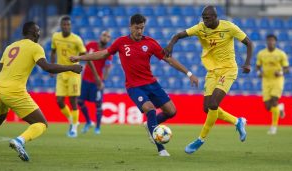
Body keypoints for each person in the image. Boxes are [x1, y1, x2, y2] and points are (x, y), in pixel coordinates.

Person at [70, 14, 199, 157]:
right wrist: (80, 58)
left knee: (171, 111)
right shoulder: (121, 42)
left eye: (142, 28)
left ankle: (150, 125)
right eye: (137, 28)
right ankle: (161, 148)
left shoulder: (150, 43)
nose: (139, 31)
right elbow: (102, 54)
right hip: (134, 87)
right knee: (150, 109)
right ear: (130, 27)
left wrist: (189, 74)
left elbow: (169, 60)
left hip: (152, 84)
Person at [164, 5, 253, 154]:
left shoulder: (228, 27)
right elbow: (178, 35)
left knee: (213, 104)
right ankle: (237, 121)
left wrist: (248, 63)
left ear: (215, 17)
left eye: (207, 18)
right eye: (203, 18)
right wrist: (170, 45)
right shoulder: (200, 28)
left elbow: (249, 43)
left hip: (228, 70)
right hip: (212, 72)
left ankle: (200, 139)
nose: (204, 21)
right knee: (207, 108)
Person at [0, 21, 82, 161]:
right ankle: (19, 141)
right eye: (38, 30)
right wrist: (71, 67)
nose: (39, 33)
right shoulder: (35, 47)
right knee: (41, 124)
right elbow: (47, 68)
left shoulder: (10, 47)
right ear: (34, 32)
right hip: (14, 91)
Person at [50, 16, 86, 138]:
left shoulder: (76, 40)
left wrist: (95, 75)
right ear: (61, 26)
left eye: (68, 25)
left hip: (73, 74)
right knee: (59, 101)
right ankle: (72, 120)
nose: (66, 27)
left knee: (72, 101)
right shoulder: (55, 37)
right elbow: (53, 51)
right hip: (61, 72)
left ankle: (74, 128)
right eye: (64, 25)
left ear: (70, 26)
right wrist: (52, 67)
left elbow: (84, 55)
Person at [78, 31, 113, 134]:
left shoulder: (108, 52)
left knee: (98, 104)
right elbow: (81, 54)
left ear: (109, 40)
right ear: (100, 36)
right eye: (104, 35)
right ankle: (88, 121)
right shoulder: (90, 45)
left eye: (108, 36)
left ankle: (97, 127)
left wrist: (103, 81)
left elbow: (107, 68)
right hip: (85, 79)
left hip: (97, 82)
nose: (105, 38)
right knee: (79, 101)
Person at [256, 34, 289, 135]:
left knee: (274, 101)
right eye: (269, 40)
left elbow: (286, 69)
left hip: (277, 80)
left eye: (272, 40)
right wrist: (259, 73)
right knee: (268, 106)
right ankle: (280, 108)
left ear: (275, 42)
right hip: (266, 81)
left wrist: (281, 73)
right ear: (266, 41)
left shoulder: (281, 54)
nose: (271, 42)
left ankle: (274, 127)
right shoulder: (261, 53)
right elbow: (258, 66)